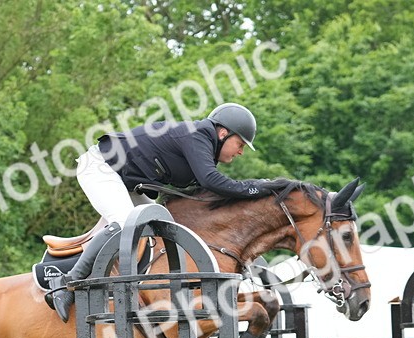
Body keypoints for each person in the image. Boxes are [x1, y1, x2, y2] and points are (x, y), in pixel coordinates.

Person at [50, 103, 265, 321]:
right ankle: (66, 283)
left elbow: (205, 198)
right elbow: (211, 182)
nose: (240, 151)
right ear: (222, 133)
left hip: (124, 181)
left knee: (166, 230)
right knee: (125, 224)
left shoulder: (205, 147)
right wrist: (259, 188)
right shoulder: (197, 135)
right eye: (240, 144)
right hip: (100, 167)